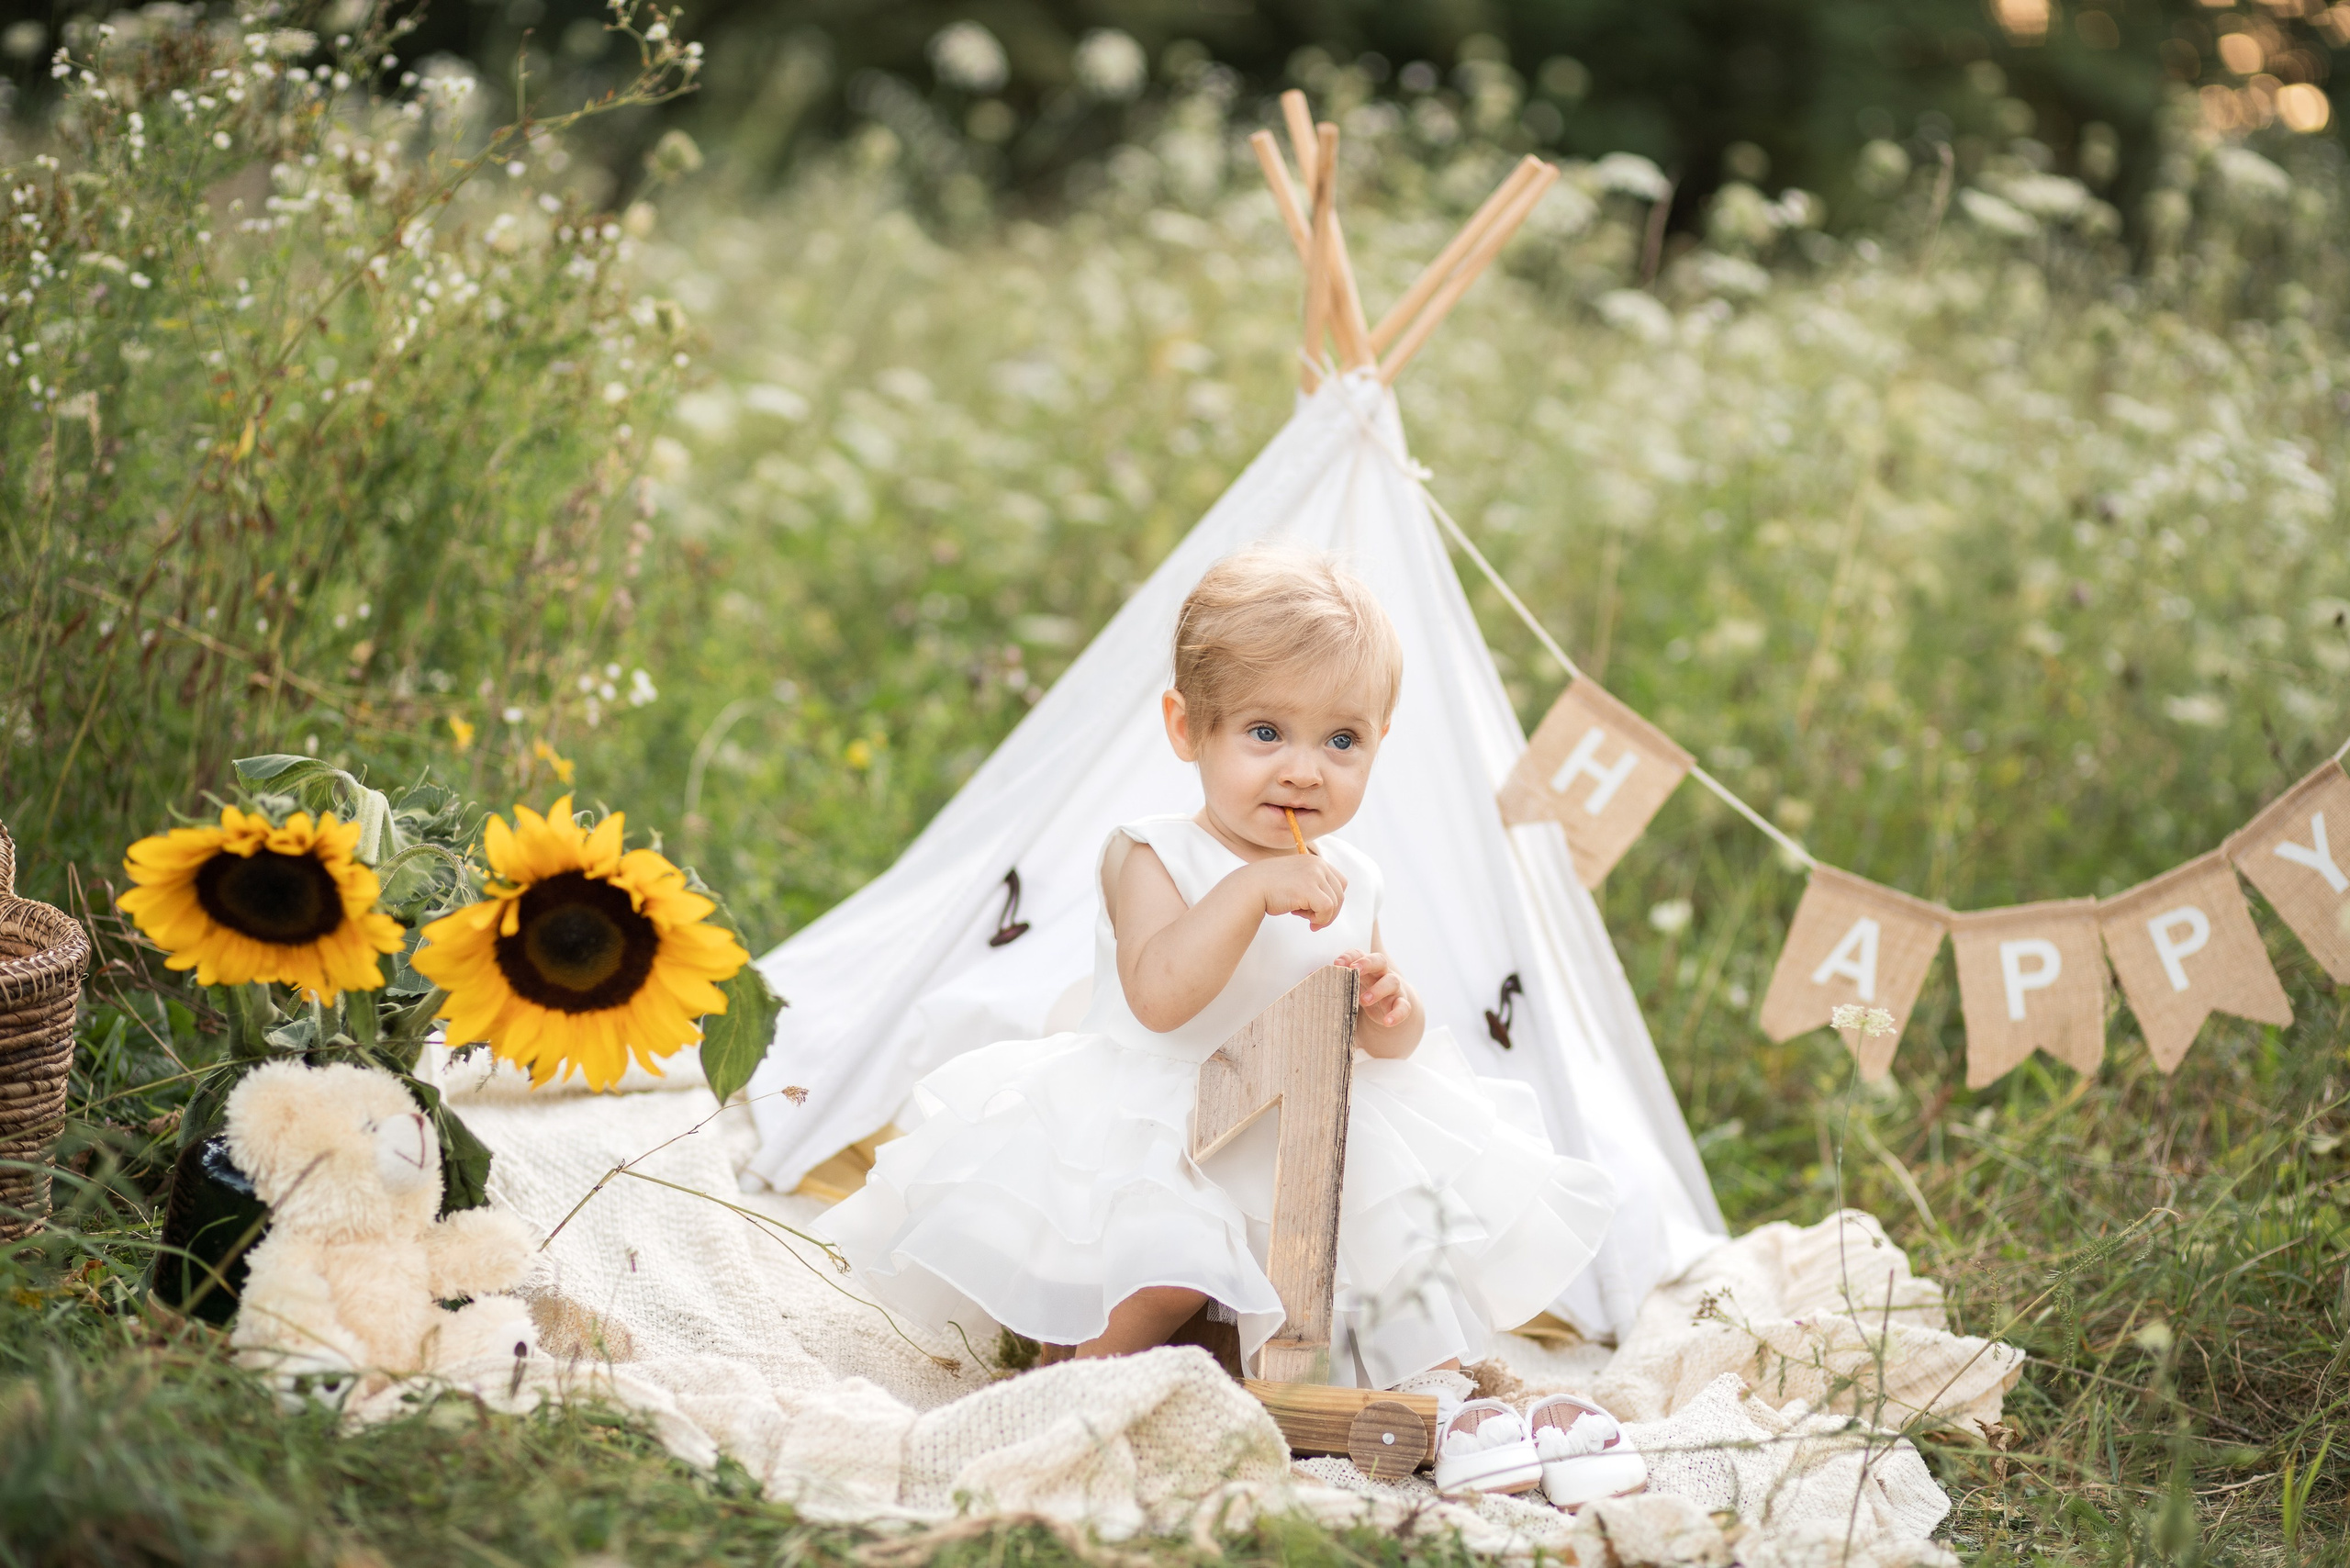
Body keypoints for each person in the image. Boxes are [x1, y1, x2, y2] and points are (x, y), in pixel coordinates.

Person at [819, 547, 1617, 1406]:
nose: (1304, 768)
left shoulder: (1353, 876)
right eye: (1265, 733)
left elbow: (1389, 1042)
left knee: (1398, 1245)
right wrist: (1249, 891)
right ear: (1187, 728)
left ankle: (1423, 1390)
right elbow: (1159, 998)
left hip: (1300, 1131)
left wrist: (1392, 1004)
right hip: (1169, 1123)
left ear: (1379, 743)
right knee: (1168, 1271)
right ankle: (1075, 1385)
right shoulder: (1154, 854)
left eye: (1341, 740)